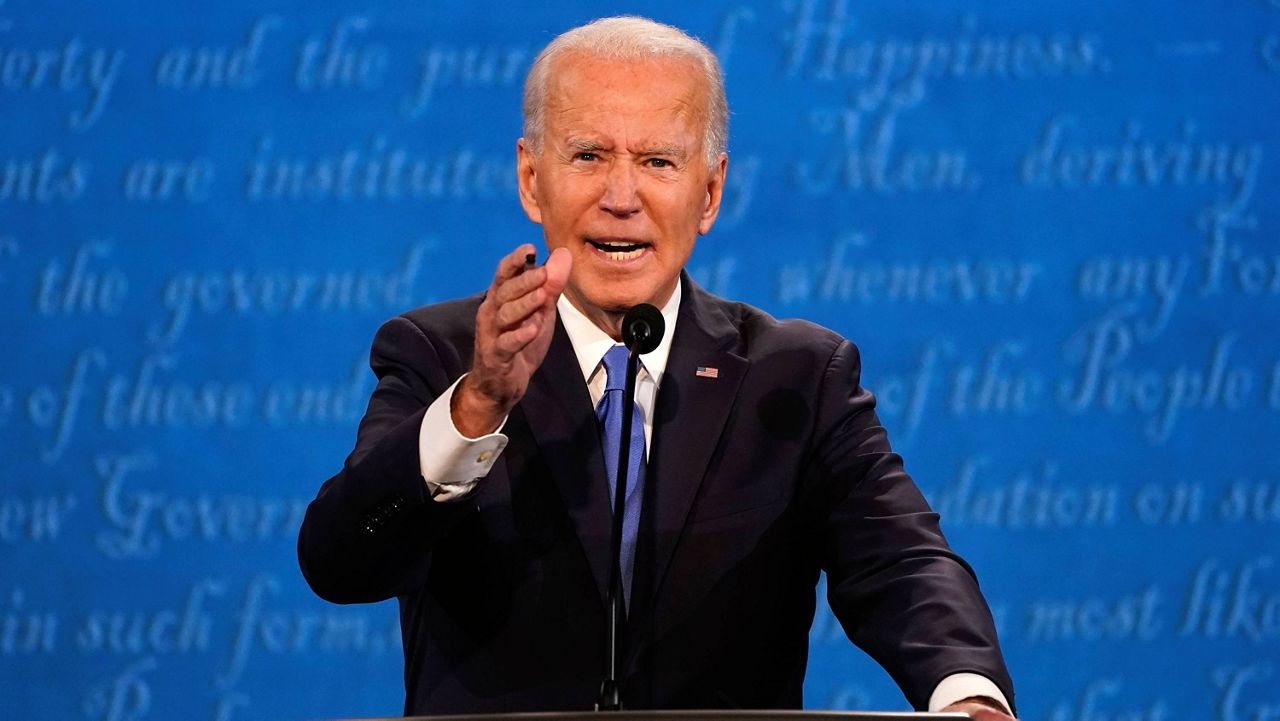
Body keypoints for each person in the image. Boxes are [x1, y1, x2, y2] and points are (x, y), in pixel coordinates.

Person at [298, 16, 1016, 719]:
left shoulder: (794, 379)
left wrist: (967, 691)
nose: (621, 197)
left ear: (708, 192)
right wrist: (477, 406)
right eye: (588, 156)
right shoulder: (442, 357)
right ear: (530, 178)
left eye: (657, 162)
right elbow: (341, 562)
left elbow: (901, 559)